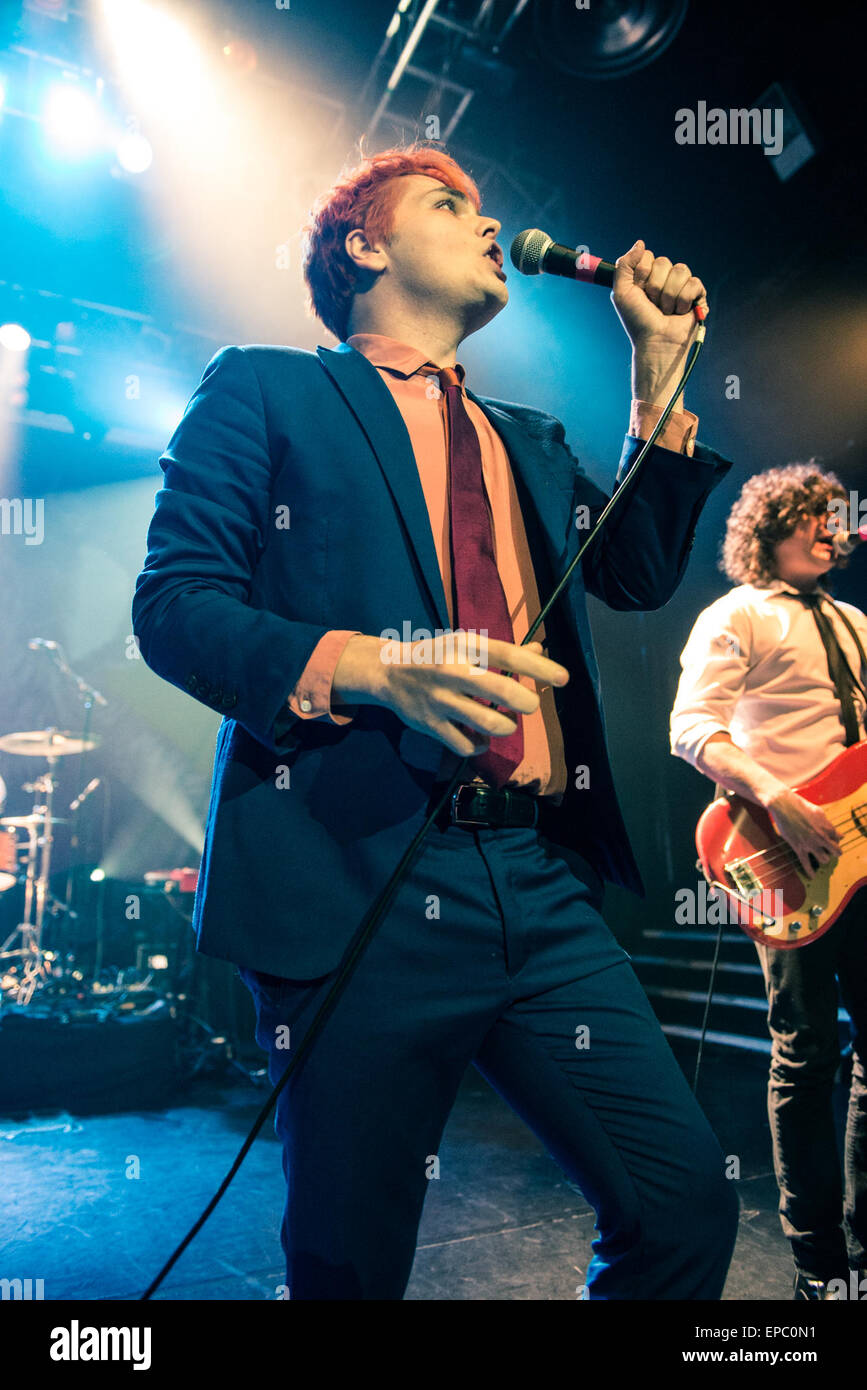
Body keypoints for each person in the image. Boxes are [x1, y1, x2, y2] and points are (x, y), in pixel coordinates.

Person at [133, 141, 737, 1300]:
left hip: (537, 877)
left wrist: (658, 373)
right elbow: (174, 607)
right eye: (449, 202)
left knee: (683, 1206)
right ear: (365, 245)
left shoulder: (532, 437)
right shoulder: (267, 386)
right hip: (352, 871)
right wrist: (375, 667)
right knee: (351, 1267)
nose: (488, 218)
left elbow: (640, 572)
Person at [670, 462, 867, 1300]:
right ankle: (818, 1265)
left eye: (836, 519)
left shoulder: (856, 621)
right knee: (804, 1054)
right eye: (809, 519)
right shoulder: (736, 614)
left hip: (860, 859)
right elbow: (690, 729)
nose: (829, 531)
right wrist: (778, 799)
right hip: (784, 862)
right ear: (767, 529)